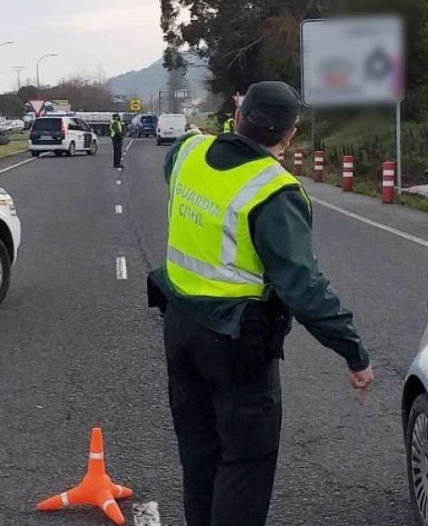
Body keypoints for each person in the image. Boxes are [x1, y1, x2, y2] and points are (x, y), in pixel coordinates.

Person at [149, 81, 373, 526]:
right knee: (245, 462)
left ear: (236, 117)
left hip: (180, 329)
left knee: (199, 456)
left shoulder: (188, 154)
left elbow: (175, 158)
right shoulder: (274, 191)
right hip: (236, 345)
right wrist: (354, 352)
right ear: (288, 136)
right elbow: (304, 289)